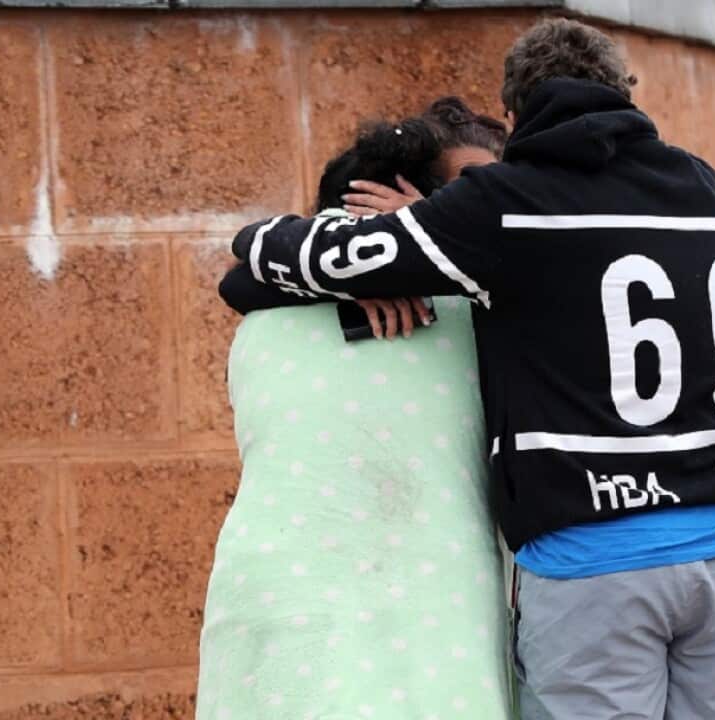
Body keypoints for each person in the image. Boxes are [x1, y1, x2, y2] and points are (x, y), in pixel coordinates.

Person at [230, 18, 715, 720]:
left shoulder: (504, 205)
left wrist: (268, 235)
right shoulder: (706, 188)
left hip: (596, 559)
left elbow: (288, 260)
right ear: (623, 92)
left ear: (517, 111)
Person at [196, 99, 514, 720]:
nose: (491, 208)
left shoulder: (261, 317)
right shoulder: (474, 319)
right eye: (471, 191)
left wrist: (349, 271)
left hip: (280, 607)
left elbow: (243, 270)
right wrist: (372, 268)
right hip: (424, 617)